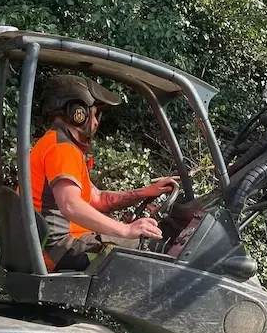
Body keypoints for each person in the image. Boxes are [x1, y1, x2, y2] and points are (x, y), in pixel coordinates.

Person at [30, 74, 176, 271]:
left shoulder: (52, 143)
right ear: (78, 113)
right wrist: (126, 230)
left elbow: (98, 198)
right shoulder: (62, 149)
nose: (97, 122)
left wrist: (145, 192)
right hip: (61, 250)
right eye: (95, 113)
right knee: (154, 250)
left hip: (59, 247)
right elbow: (70, 206)